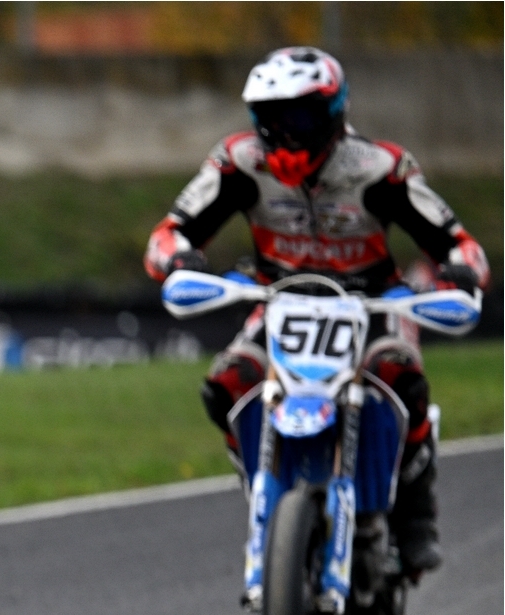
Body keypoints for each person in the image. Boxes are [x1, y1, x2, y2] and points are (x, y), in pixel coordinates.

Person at [144, 46, 491, 574]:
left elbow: (460, 244)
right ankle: (265, 482)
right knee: (227, 383)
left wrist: (460, 272)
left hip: (370, 302)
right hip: (279, 299)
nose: (286, 132)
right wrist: (179, 259)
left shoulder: (381, 168)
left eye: (300, 117)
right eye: (272, 118)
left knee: (400, 376)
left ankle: (416, 513)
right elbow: (168, 234)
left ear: (332, 111)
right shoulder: (238, 161)